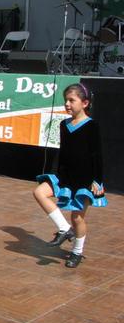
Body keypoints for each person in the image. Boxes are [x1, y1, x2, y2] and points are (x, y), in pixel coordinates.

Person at [33, 83, 107, 268]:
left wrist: (97, 180)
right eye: (65, 100)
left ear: (85, 103)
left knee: (77, 218)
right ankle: (64, 229)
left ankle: (77, 252)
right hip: (64, 175)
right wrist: (55, 173)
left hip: (84, 179)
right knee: (39, 193)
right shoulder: (63, 124)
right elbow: (63, 152)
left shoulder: (91, 126)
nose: (67, 104)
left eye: (71, 100)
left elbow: (96, 154)